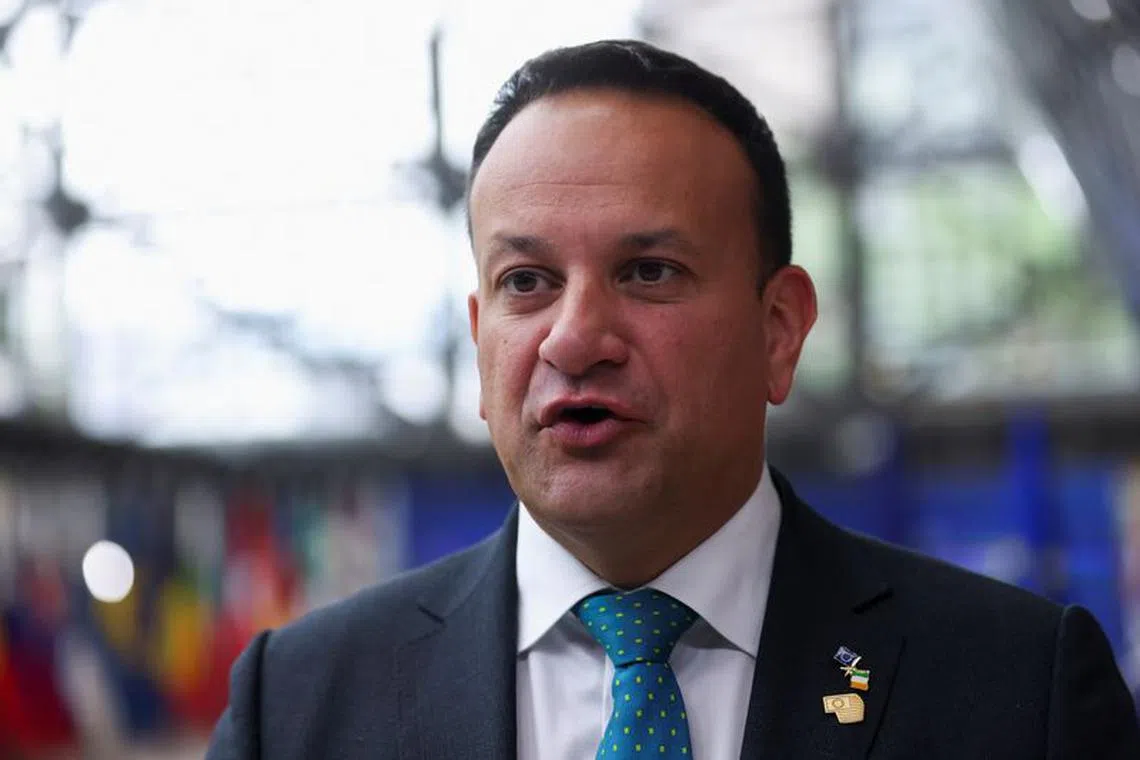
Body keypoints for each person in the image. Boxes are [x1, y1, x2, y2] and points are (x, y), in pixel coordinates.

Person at [206, 39, 1140, 759]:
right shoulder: (296, 704)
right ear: (480, 335)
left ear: (779, 329)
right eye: (527, 282)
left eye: (649, 271)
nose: (574, 338)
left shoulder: (1020, 688)